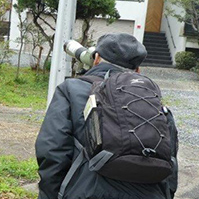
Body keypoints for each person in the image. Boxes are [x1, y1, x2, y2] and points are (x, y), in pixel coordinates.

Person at [35, 33, 178, 199]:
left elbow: (52, 150)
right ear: (137, 70)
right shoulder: (153, 100)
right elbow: (171, 162)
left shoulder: (71, 90)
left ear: (96, 59)